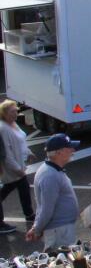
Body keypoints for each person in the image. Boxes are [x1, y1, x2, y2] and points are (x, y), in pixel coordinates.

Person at [28, 134, 85, 268]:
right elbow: (46, 209)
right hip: (59, 232)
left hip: (62, 230)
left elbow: (44, 207)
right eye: (70, 148)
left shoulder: (53, 170)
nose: (73, 151)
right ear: (59, 152)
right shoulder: (50, 175)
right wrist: (37, 229)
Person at [0, 99, 34, 233]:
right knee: (18, 188)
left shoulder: (13, 124)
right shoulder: (3, 128)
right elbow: (6, 154)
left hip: (19, 166)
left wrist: (29, 152)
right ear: (4, 113)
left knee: (23, 189)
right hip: (10, 169)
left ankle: (29, 215)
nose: (15, 114)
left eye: (16, 111)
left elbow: (21, 141)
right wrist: (17, 169)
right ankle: (28, 215)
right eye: (12, 112)